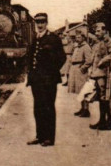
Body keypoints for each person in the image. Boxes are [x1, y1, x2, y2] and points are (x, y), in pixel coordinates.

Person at [26, 13, 67, 147]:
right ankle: (40, 136)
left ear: (47, 23)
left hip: (48, 81)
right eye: (37, 22)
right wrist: (31, 74)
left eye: (42, 22)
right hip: (36, 81)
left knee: (48, 108)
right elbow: (30, 57)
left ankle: (49, 138)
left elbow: (62, 58)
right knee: (38, 108)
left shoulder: (53, 38)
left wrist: (50, 71)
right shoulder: (35, 38)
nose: (40, 25)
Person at [89, 22, 111, 130]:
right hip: (97, 73)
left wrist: (102, 61)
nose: (96, 33)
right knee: (101, 97)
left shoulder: (109, 42)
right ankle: (102, 120)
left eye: (99, 31)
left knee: (105, 97)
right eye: (95, 31)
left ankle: (109, 122)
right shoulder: (98, 43)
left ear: (105, 31)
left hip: (105, 73)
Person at [69, 30, 93, 115]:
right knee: (79, 90)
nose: (77, 39)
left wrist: (83, 68)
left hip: (81, 71)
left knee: (84, 90)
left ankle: (86, 110)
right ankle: (82, 108)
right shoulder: (77, 46)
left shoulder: (86, 47)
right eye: (76, 37)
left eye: (79, 37)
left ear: (83, 37)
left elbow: (89, 60)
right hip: (75, 70)